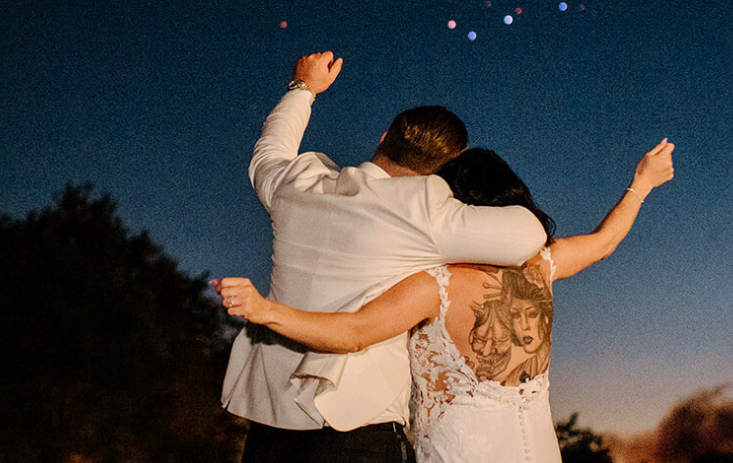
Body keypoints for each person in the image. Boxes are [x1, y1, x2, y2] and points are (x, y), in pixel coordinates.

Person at [215, 140, 675, 463]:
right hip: (537, 449)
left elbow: (352, 334)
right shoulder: (542, 264)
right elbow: (605, 241)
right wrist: (642, 183)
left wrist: (265, 310)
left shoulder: (432, 285)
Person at [222, 52, 549, 463]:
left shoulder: (297, 183)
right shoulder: (427, 210)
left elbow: (269, 153)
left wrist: (303, 88)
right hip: (358, 429)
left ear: (383, 137)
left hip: (272, 427)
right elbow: (528, 233)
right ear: (444, 169)